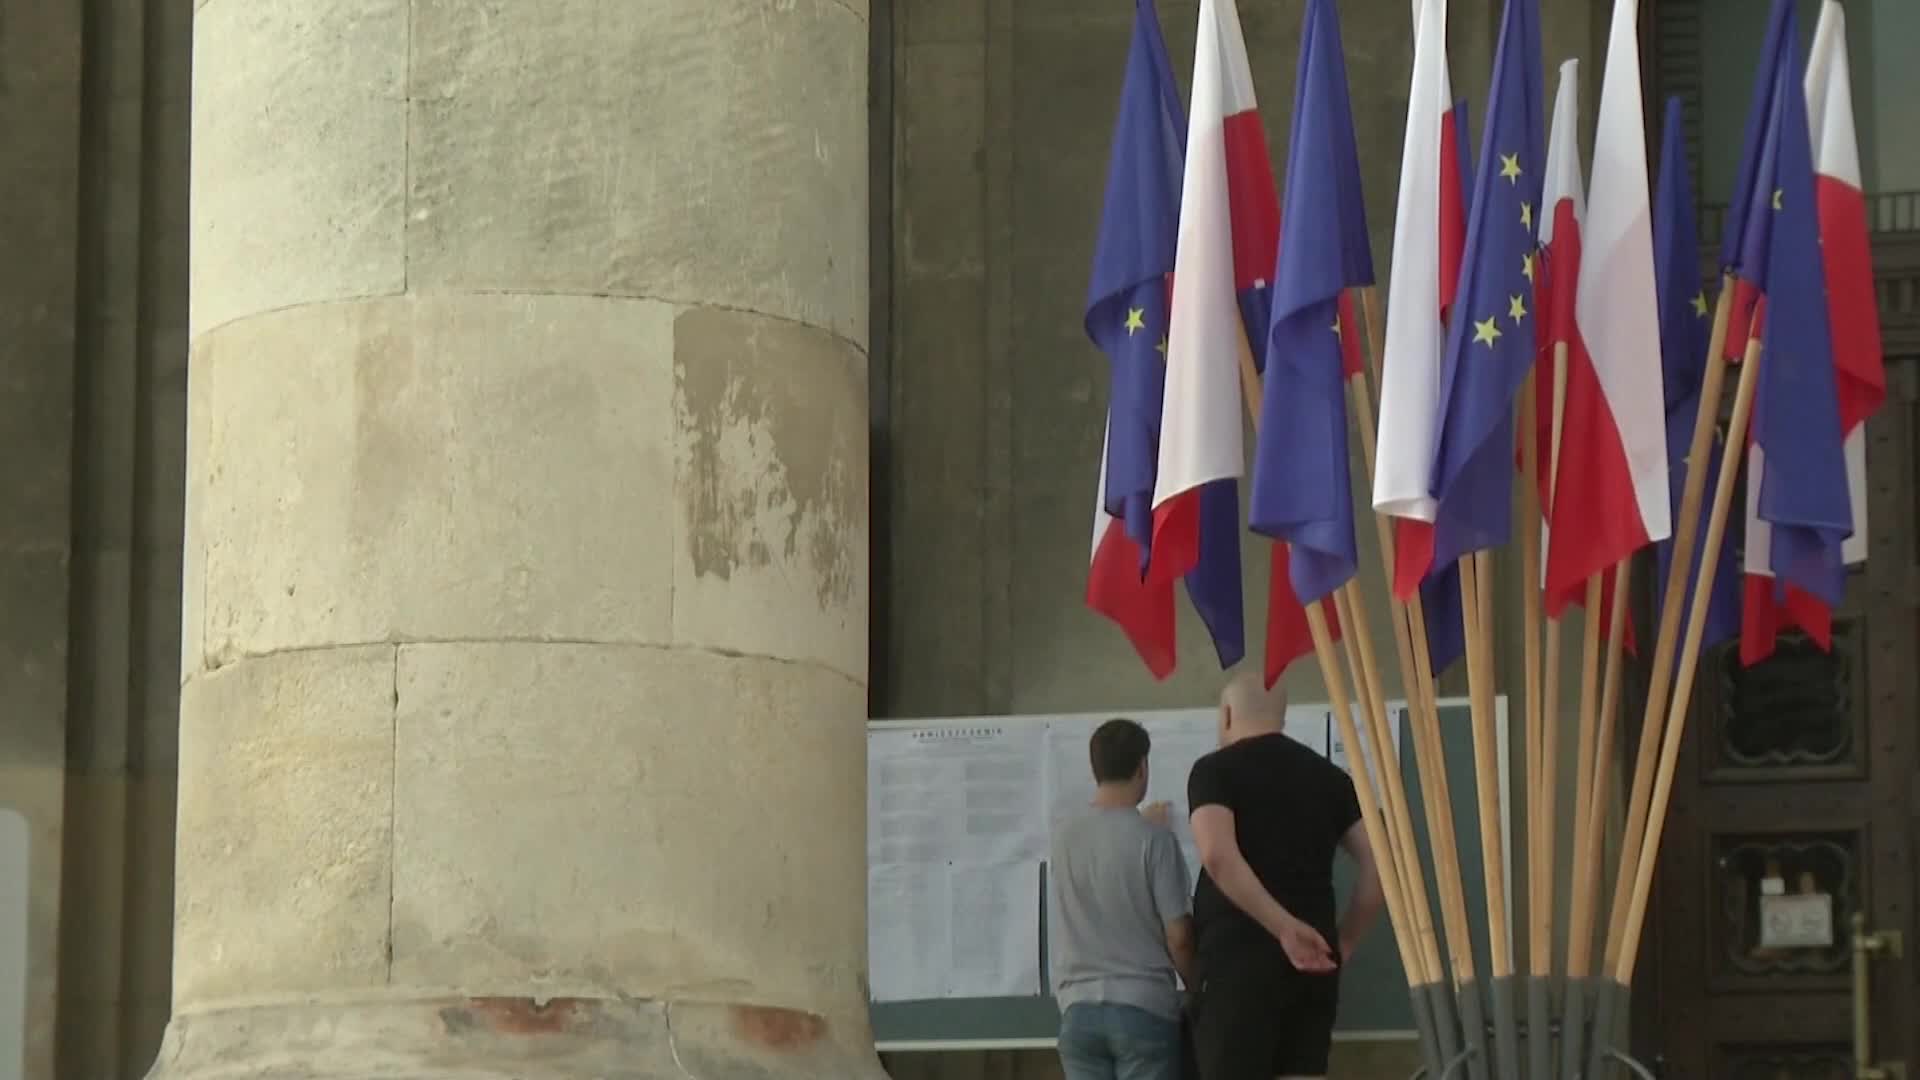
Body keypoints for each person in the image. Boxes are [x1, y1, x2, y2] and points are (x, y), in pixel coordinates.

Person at [1186, 671, 1384, 1080]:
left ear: (1226, 715)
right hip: (1314, 965)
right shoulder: (1330, 778)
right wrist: (1344, 940)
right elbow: (1382, 862)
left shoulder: (1214, 771)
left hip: (1237, 963)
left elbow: (1217, 855)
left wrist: (1283, 928)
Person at [1049, 717, 1199, 1080]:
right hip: (1143, 1010)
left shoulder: (1063, 839)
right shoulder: (1157, 842)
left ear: (1095, 767)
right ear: (1142, 768)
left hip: (1078, 1012)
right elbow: (1178, 936)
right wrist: (1199, 988)